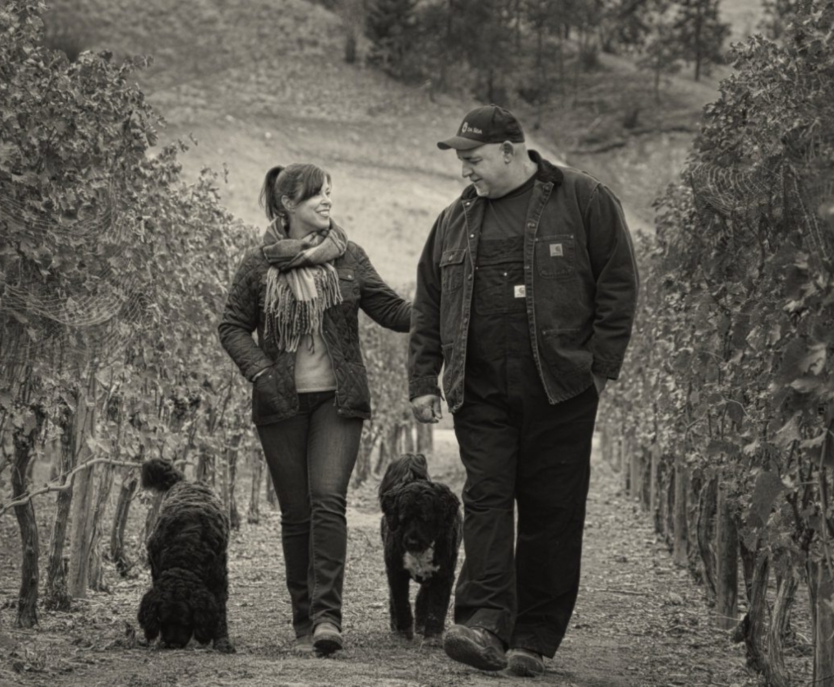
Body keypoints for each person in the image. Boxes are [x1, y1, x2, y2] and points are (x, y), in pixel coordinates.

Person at [407, 105, 639, 677]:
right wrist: (423, 379)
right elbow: (429, 303)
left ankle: (532, 638)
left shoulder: (584, 200)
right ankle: (483, 624)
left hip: (560, 389)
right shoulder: (453, 221)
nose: (467, 171)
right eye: (461, 160)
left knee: (551, 512)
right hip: (481, 392)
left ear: (512, 151)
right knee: (486, 500)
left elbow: (619, 283)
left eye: (475, 159)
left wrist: (600, 371)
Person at [219, 163, 412, 655]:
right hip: (280, 401)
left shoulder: (349, 258)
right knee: (297, 513)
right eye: (316, 196)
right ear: (288, 205)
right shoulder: (257, 265)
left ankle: (328, 619)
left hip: (338, 400)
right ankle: (303, 618)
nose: (327, 202)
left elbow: (393, 312)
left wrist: (442, 305)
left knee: (328, 500)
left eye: (330, 193)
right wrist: (261, 374)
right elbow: (233, 326)